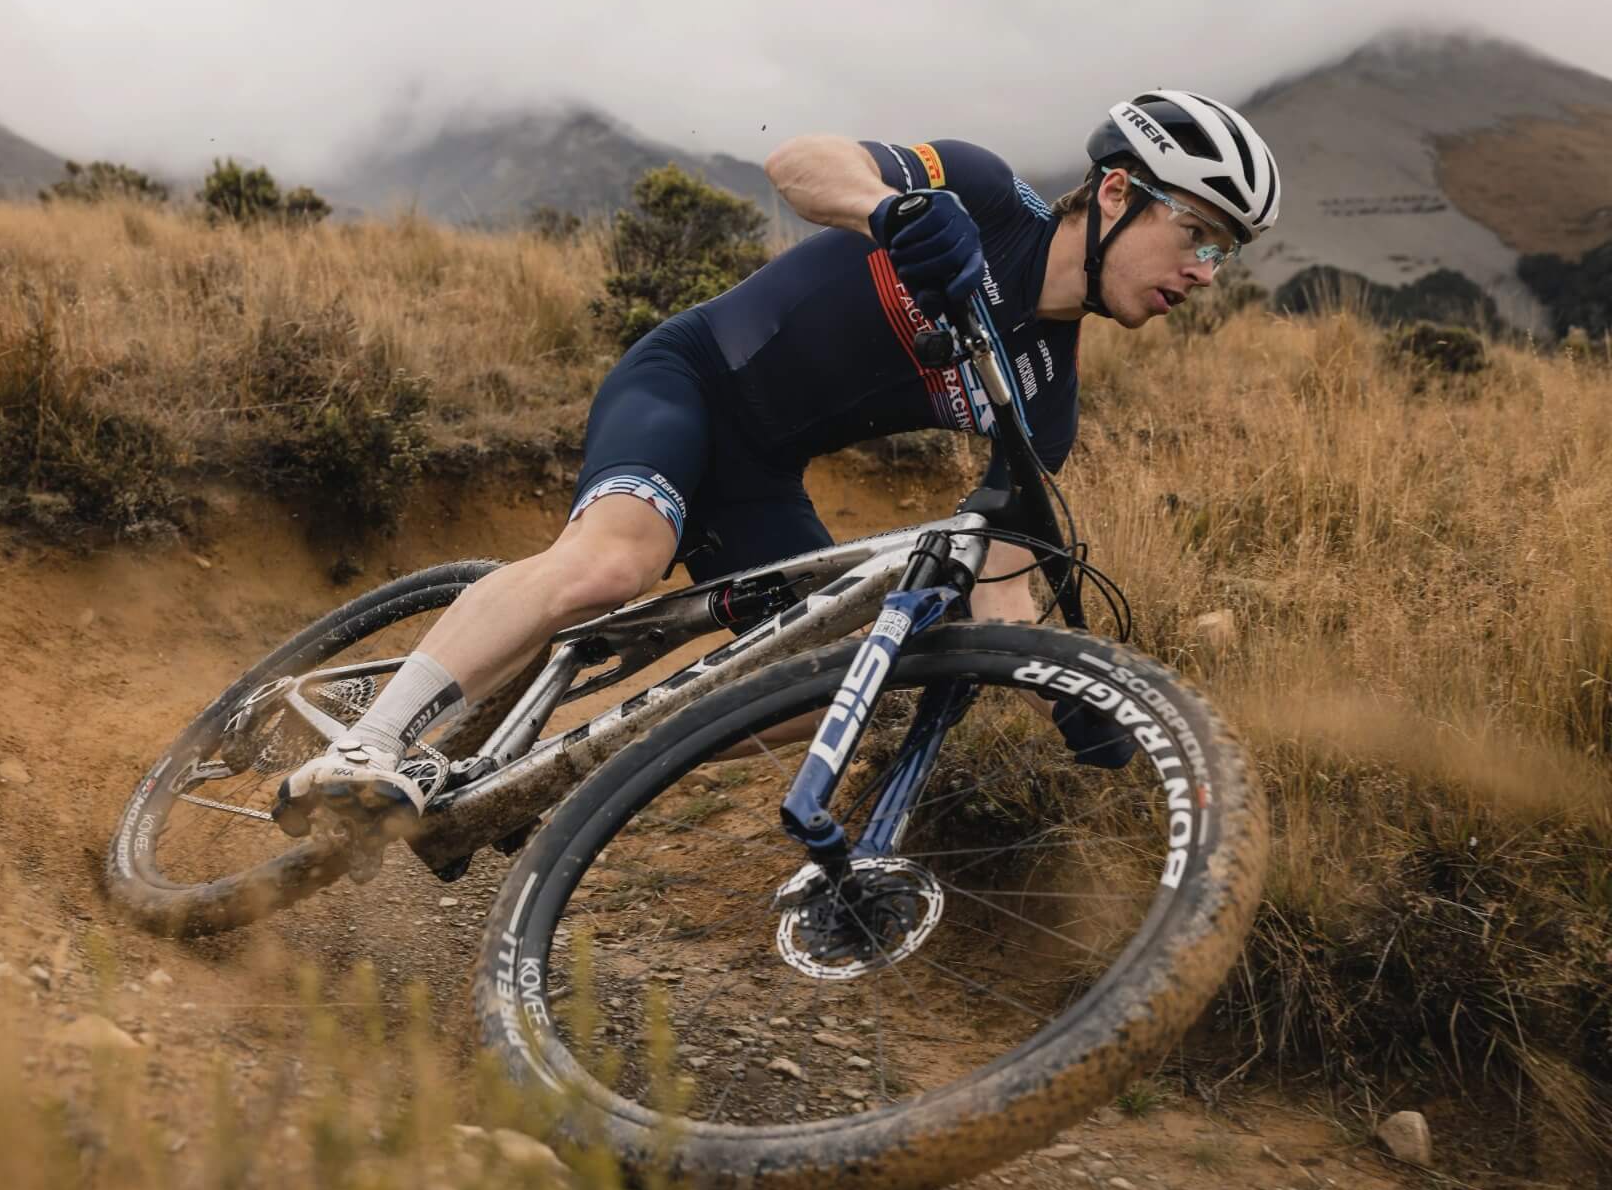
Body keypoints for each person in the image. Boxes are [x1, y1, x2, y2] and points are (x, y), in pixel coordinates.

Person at [272, 90, 1282, 841]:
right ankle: (367, 742)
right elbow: (801, 162)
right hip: (689, 383)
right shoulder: (976, 193)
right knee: (613, 563)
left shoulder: (1041, 396)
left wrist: (1061, 685)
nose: (1200, 271)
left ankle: (531, 778)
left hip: (761, 476)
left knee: (804, 687)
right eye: (1194, 232)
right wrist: (886, 211)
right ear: (1114, 191)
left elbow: (1004, 583)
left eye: (1221, 253)